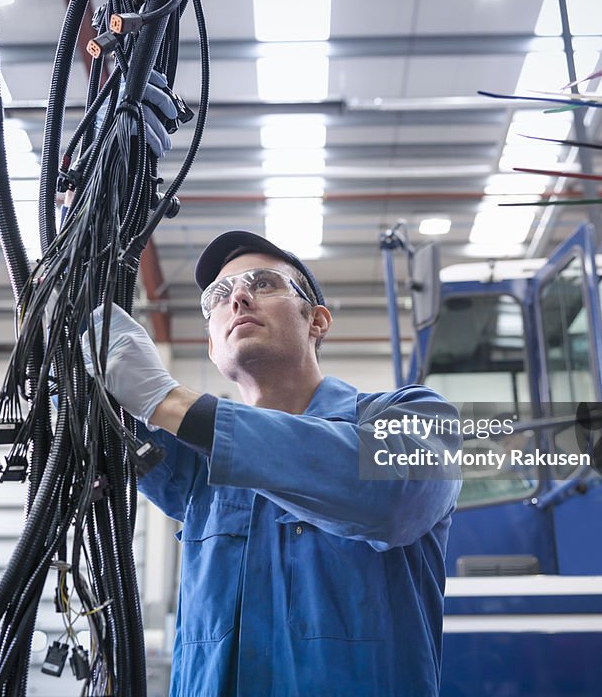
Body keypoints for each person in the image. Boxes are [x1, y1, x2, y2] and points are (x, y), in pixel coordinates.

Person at [83, 230, 462, 697]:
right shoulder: (199, 469)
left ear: (317, 321)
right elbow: (92, 406)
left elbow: (391, 496)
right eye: (218, 296)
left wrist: (168, 399)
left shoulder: (412, 418)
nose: (238, 296)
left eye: (263, 283)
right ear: (211, 346)